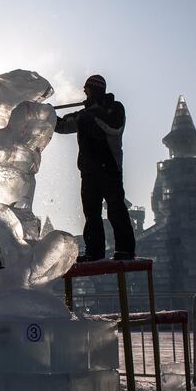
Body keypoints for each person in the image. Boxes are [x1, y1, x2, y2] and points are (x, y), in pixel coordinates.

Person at [55, 75, 136, 262]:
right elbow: (63, 126)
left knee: (116, 208)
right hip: (88, 171)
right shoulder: (85, 114)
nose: (84, 92)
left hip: (109, 168)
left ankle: (125, 249)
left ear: (95, 89)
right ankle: (94, 251)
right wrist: (48, 117)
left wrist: (92, 112)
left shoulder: (115, 108)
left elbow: (114, 127)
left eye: (87, 89)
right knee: (91, 212)